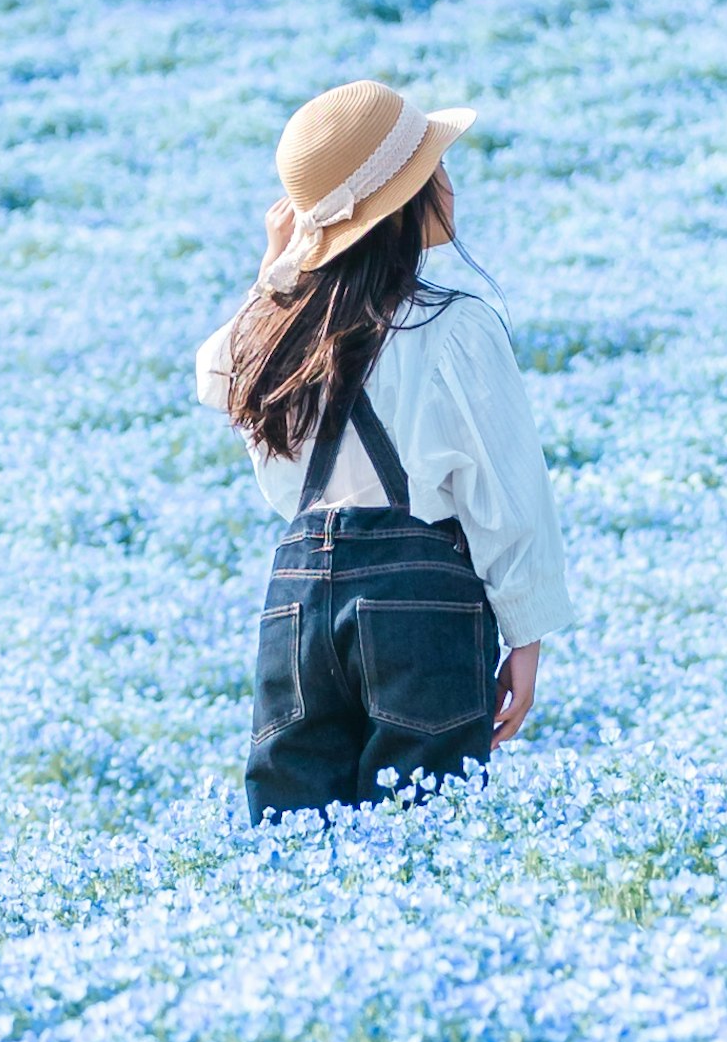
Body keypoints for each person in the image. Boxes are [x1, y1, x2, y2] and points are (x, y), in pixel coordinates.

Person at [195, 80, 576, 821]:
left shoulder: (270, 336)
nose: (450, 182)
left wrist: (279, 272)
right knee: (420, 840)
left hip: (295, 605)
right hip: (420, 600)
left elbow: (214, 374)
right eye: (433, 168)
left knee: (291, 838)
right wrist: (526, 637)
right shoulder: (455, 325)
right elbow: (509, 491)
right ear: (400, 204)